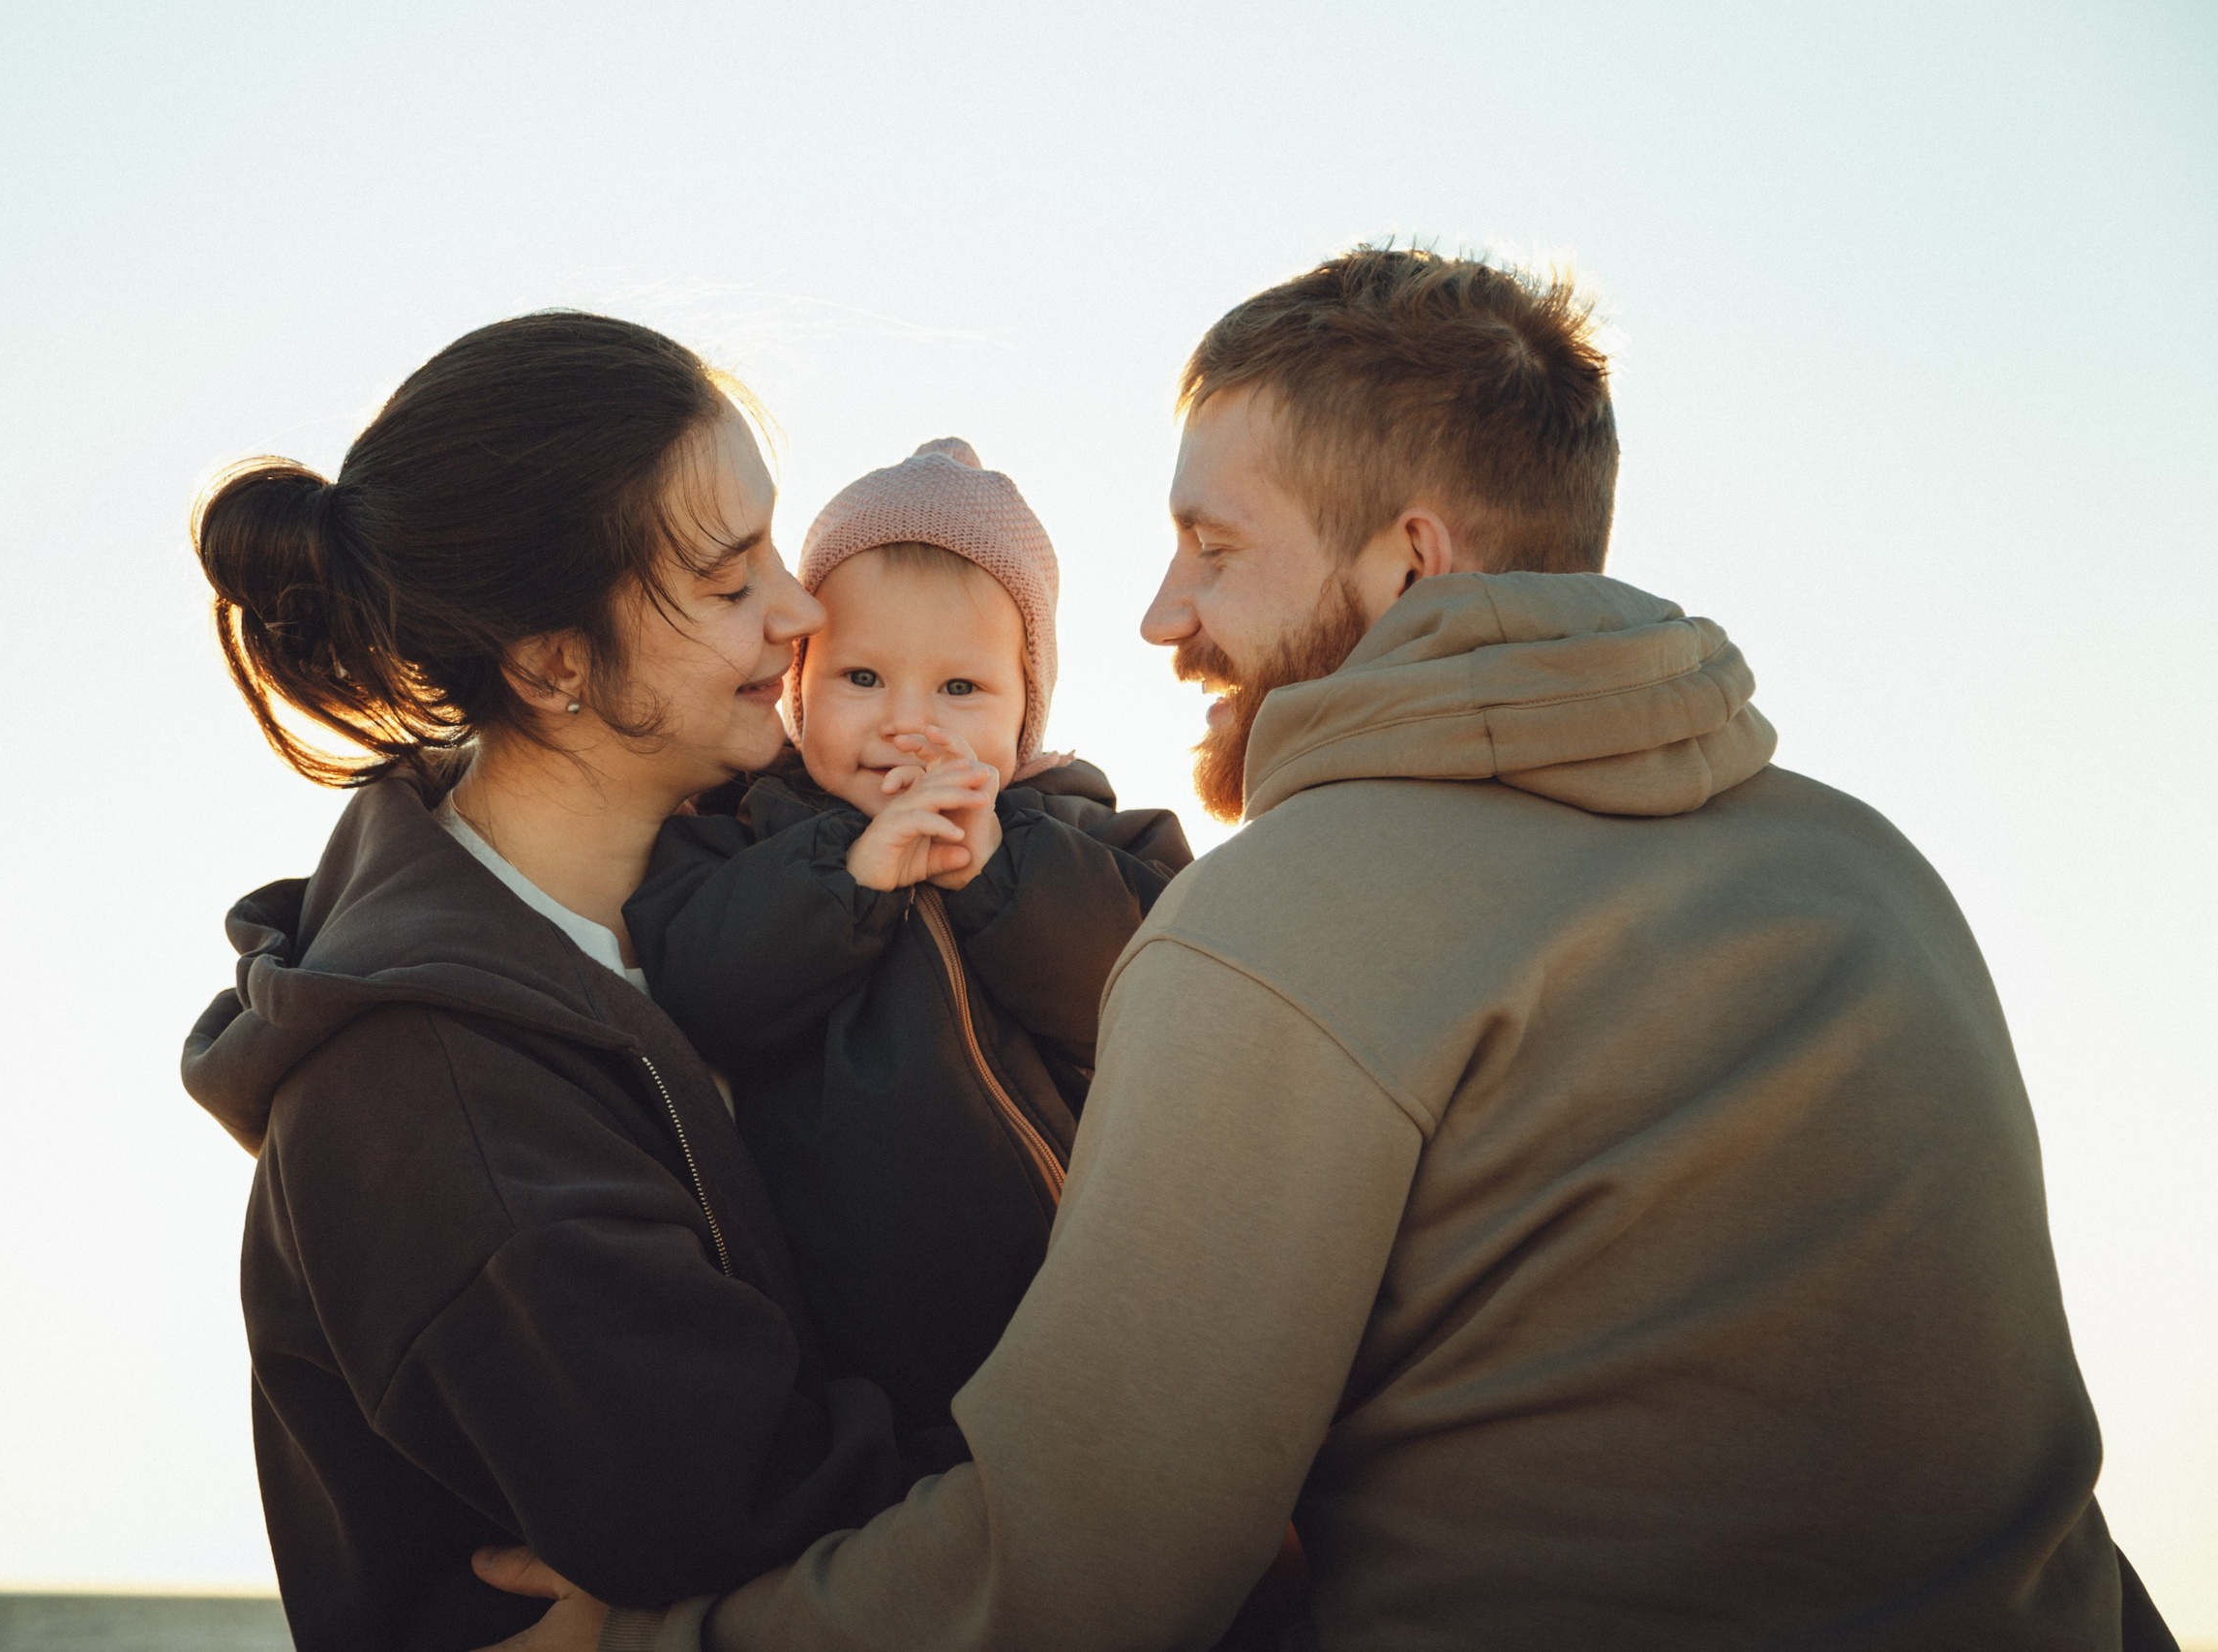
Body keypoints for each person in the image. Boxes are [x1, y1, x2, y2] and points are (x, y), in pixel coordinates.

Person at [477, 248, 2173, 1650]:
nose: (1159, 617)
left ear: (1411, 559)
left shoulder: (1279, 923)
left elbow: (1089, 1568)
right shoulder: (1873, 870)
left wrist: (659, 1641)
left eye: (1215, 548)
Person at [179, 313, 962, 1651]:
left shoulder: (795, 843)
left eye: (774, 546)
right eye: (728, 584)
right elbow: (774, 1507)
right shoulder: (433, 1104)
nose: (803, 608)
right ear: (552, 663)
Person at [625, 438, 1190, 1435]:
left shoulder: (1086, 835)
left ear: (1027, 709)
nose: (908, 724)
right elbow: (701, 993)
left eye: (960, 690)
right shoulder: (746, 837)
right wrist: (848, 875)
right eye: (861, 678)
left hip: (1091, 1311)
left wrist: (998, 873)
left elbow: (1158, 1001)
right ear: (797, 688)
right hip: (853, 1340)